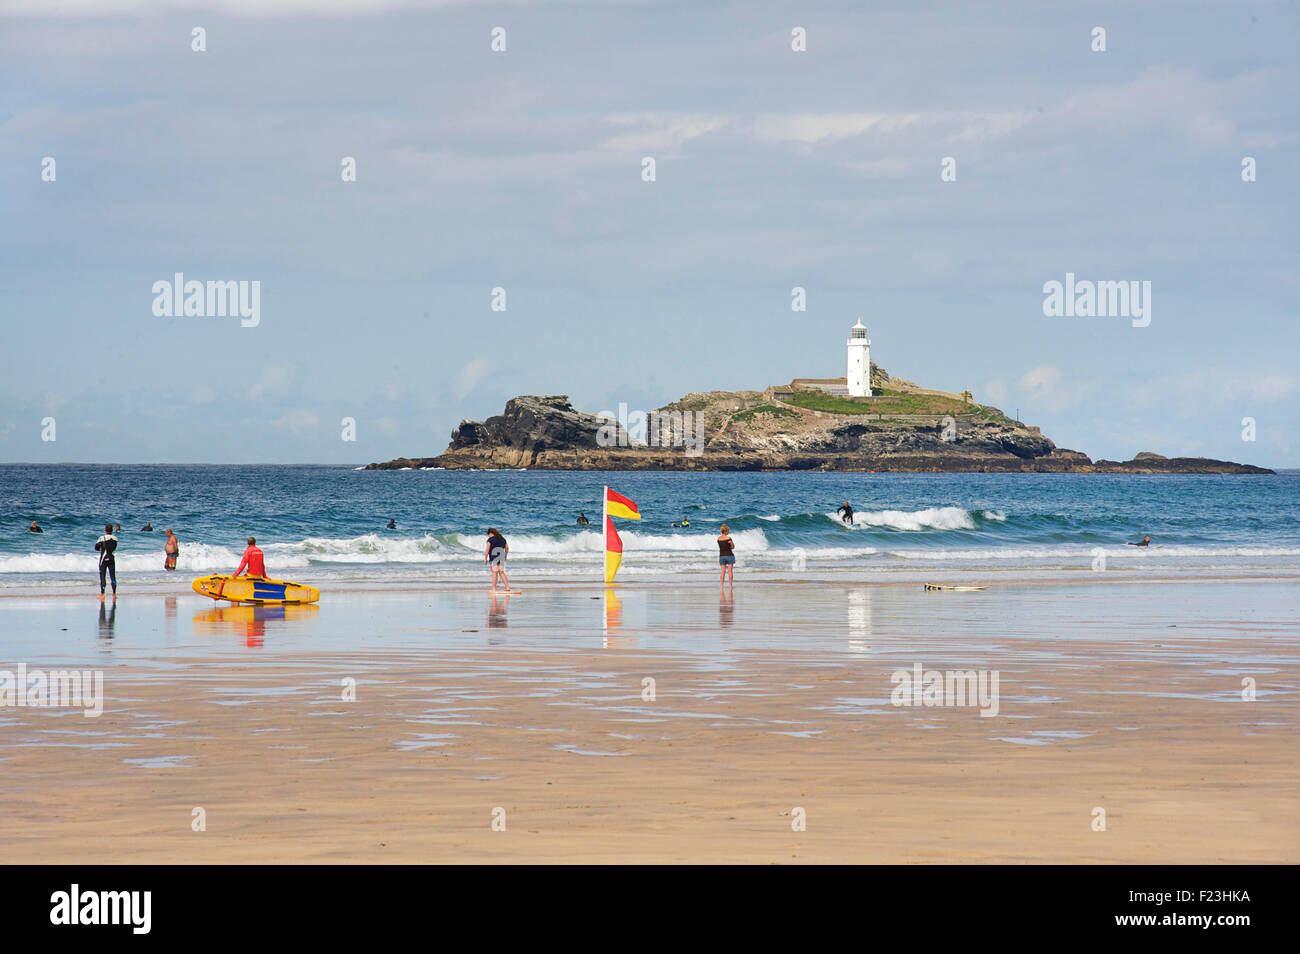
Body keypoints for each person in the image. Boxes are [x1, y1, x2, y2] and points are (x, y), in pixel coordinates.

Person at [94, 523, 118, 599]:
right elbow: (114, 547)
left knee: (103, 576)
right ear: (112, 530)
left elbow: (96, 547)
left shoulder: (102, 538)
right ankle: (114, 594)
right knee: (113, 576)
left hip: (104, 558)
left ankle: (102, 594)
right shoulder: (115, 538)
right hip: (111, 558)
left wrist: (100, 548)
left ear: (105, 530)